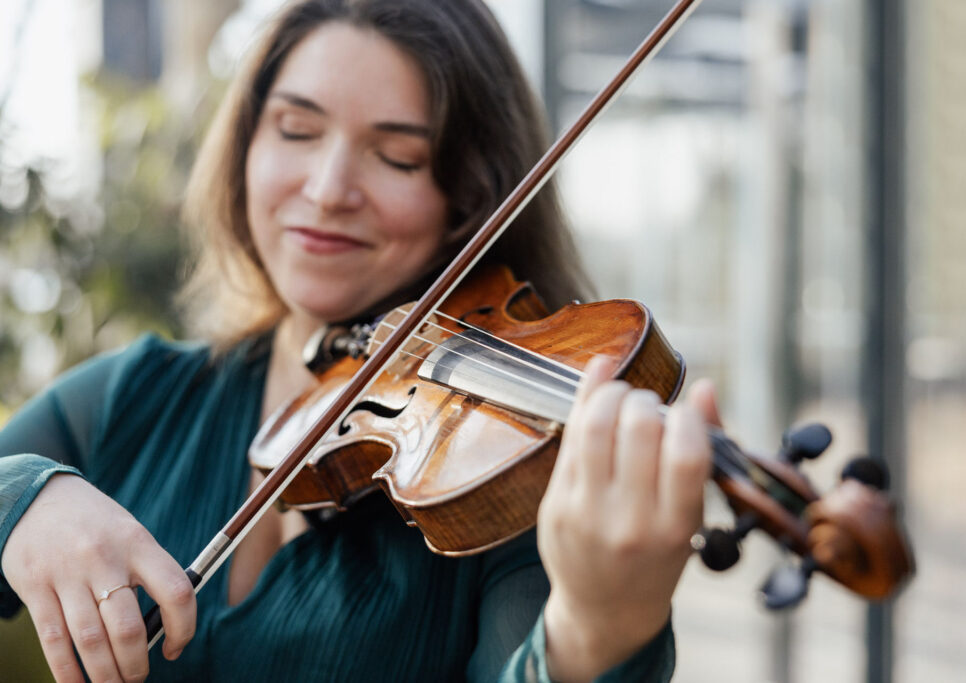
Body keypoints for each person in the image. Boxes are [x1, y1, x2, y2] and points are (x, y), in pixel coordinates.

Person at [0, 1, 718, 681]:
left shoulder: (512, 471)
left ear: (469, 199)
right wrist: (25, 498)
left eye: (398, 157)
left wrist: (596, 628)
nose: (328, 188)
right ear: (245, 146)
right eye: (296, 130)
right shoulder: (134, 396)